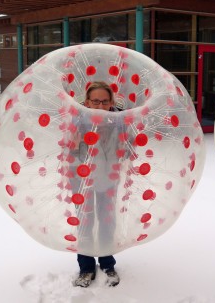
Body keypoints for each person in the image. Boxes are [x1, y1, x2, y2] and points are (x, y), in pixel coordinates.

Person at [72, 81, 121, 288]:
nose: (100, 106)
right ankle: (86, 268)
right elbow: (67, 153)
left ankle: (107, 263)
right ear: (87, 102)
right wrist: (73, 144)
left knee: (107, 221)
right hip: (82, 181)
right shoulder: (76, 122)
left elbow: (128, 148)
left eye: (105, 101)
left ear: (111, 102)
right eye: (95, 101)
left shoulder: (121, 121)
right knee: (85, 222)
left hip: (109, 179)